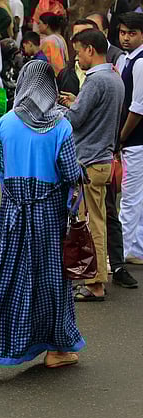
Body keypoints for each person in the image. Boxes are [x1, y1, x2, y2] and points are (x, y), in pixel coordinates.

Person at [0, 60, 85, 379]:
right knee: (49, 281)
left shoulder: (5, 123)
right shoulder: (60, 126)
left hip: (13, 211)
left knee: (4, 275)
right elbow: (71, 173)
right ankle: (56, 349)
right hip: (47, 213)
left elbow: (3, 171)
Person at [60, 29, 127, 299]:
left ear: (90, 49)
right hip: (104, 158)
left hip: (88, 161)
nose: (78, 58)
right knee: (98, 220)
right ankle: (95, 279)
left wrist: (62, 110)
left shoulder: (95, 80)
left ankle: (95, 283)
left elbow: (74, 119)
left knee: (90, 224)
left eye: (79, 51)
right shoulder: (115, 78)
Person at [117, 13, 143, 265]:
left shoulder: (140, 63)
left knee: (130, 198)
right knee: (137, 198)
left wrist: (121, 137)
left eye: (131, 33)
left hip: (136, 140)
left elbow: (137, 107)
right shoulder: (128, 59)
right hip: (134, 141)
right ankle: (136, 248)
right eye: (123, 32)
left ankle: (120, 253)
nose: (125, 37)